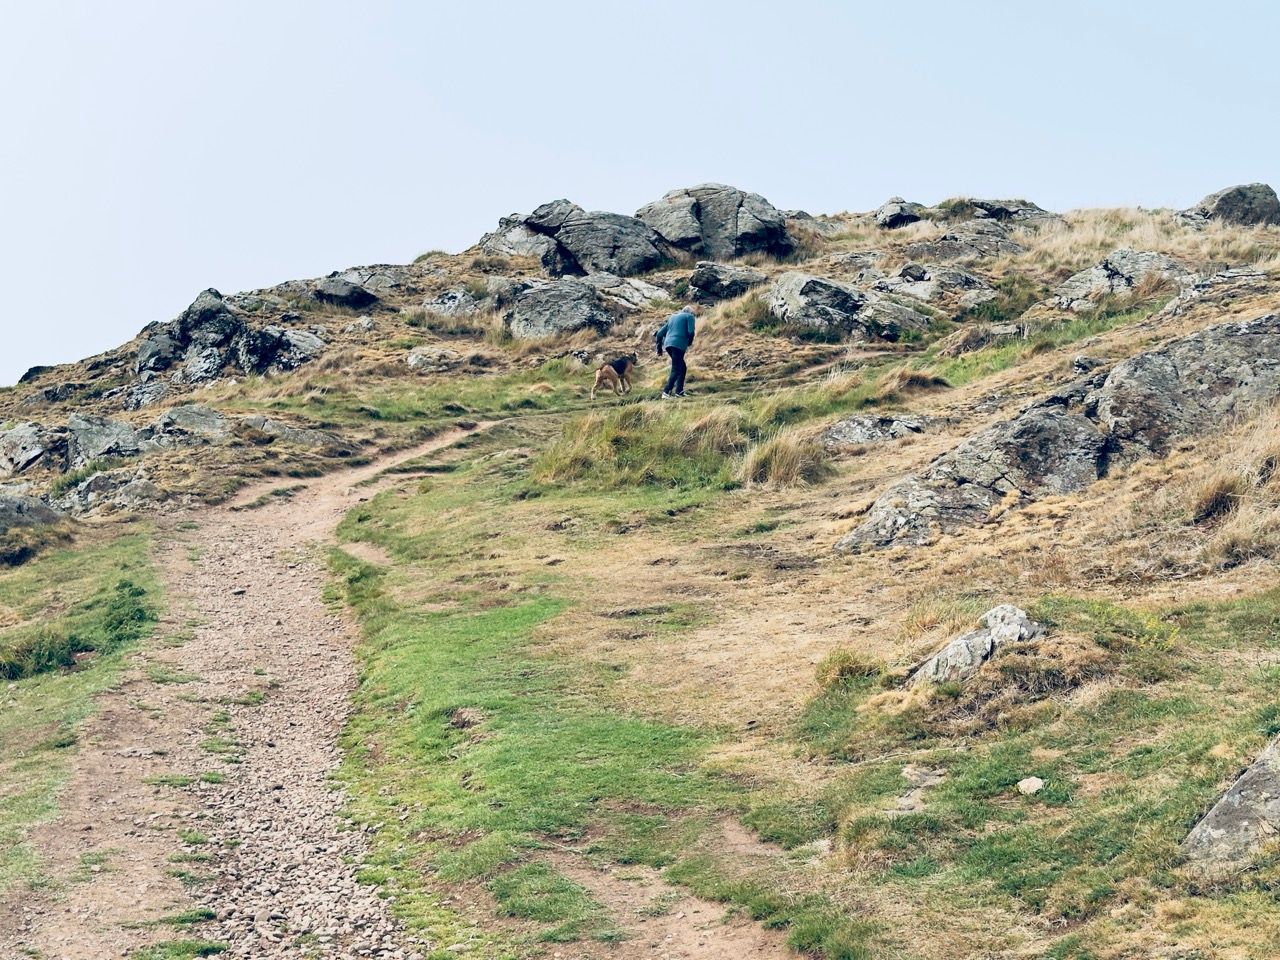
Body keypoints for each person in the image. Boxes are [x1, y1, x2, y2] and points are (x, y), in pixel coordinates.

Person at [654, 304, 696, 398]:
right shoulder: (690, 316)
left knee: (682, 367)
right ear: (690, 312)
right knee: (676, 369)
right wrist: (689, 342)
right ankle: (666, 392)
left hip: (668, 345)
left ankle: (679, 391)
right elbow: (691, 332)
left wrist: (659, 349)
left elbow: (659, 334)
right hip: (678, 345)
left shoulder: (672, 317)